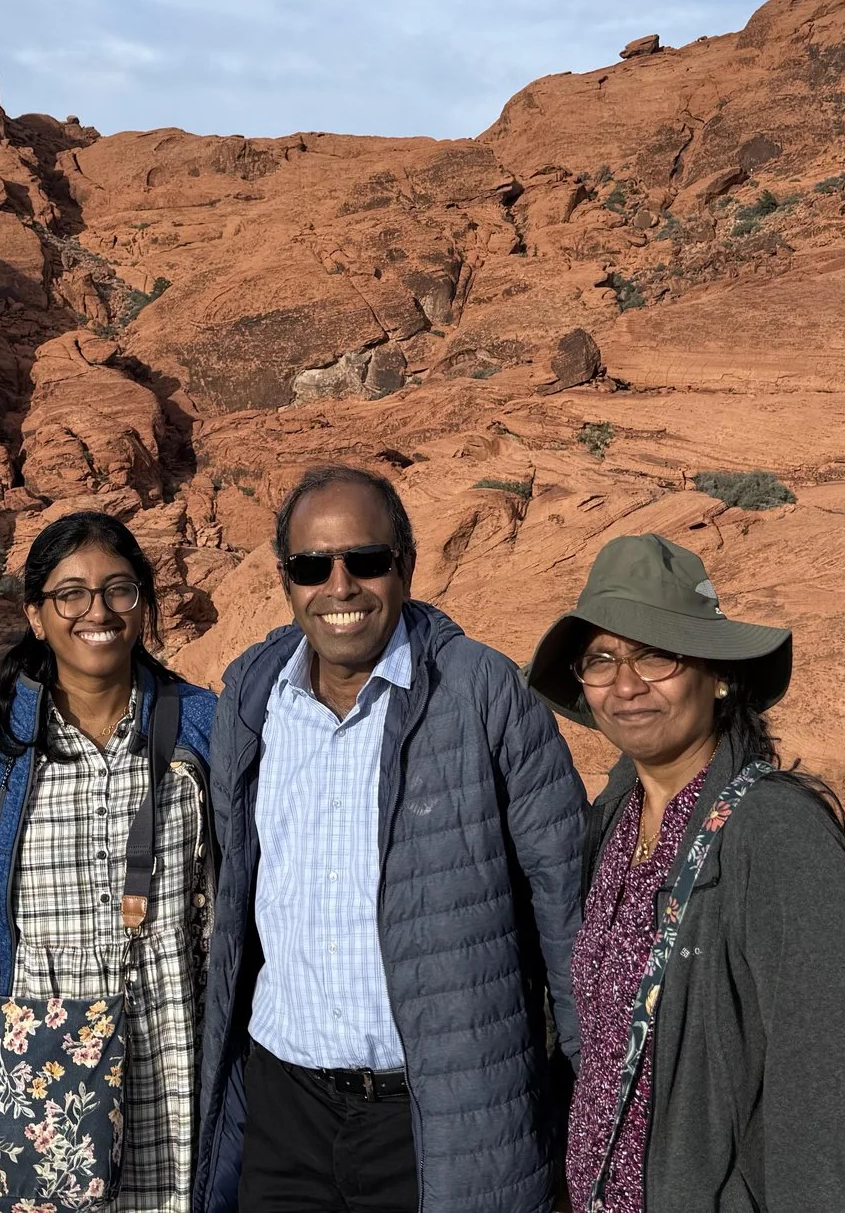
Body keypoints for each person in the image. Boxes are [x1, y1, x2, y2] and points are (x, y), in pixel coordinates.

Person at [193, 464, 586, 1213]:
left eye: (365, 560)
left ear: (405, 566)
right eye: (313, 565)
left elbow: (566, 912)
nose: (340, 586)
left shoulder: (482, 691)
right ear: (286, 580)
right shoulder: (252, 694)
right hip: (286, 1108)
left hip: (438, 1117)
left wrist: (580, 1110)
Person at [525, 533, 845, 1213]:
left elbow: (824, 1098)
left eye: (656, 652)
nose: (626, 683)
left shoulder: (776, 833)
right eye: (602, 658)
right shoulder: (613, 820)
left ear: (718, 675)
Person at [0, 510, 217, 1213]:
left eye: (119, 589)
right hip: (28, 1084)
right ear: (37, 614)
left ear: (143, 602)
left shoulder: (205, 726)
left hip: (173, 1060)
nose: (97, 610)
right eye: (71, 593)